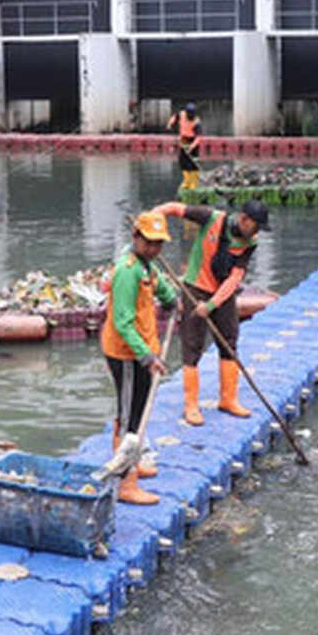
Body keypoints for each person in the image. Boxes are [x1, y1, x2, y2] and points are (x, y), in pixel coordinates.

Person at [150, 199, 269, 427]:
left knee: (229, 342)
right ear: (244, 219)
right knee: (192, 345)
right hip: (195, 287)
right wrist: (155, 217)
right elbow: (176, 209)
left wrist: (212, 304)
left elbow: (235, 277)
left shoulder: (250, 242)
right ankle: (191, 405)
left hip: (222, 294)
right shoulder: (211, 217)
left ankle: (228, 399)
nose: (256, 232)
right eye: (255, 225)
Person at [100, 211, 179, 505]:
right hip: (127, 355)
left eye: (159, 244)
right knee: (130, 416)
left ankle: (132, 464)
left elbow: (159, 287)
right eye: (149, 243)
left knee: (137, 409)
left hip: (142, 350)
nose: (155, 249)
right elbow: (122, 321)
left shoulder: (147, 267)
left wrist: (173, 299)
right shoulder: (127, 270)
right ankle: (126, 483)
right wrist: (146, 357)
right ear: (136, 238)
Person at [167, 102, 202, 190]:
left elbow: (198, 138)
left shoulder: (196, 122)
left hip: (193, 142)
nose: (189, 117)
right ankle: (187, 182)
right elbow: (175, 117)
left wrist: (191, 147)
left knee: (193, 164)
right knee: (183, 162)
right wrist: (170, 124)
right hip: (183, 140)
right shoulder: (181, 114)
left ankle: (194, 183)